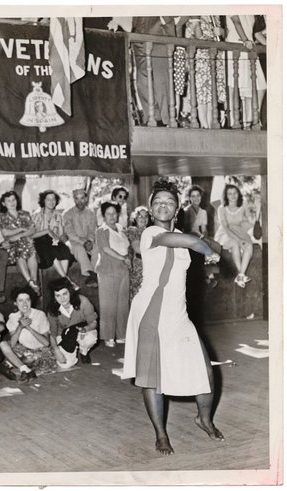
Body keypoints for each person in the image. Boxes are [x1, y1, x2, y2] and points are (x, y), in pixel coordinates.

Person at [123, 178, 224, 455]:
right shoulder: (149, 234)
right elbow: (195, 242)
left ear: (177, 208)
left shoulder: (179, 233)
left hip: (178, 315)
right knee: (153, 378)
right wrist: (210, 251)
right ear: (151, 210)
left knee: (205, 371)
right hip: (150, 315)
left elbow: (196, 244)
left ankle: (203, 419)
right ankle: (161, 434)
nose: (163, 206)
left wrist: (212, 254)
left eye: (169, 202)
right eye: (157, 203)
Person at [95, 201, 130, 347]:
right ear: (103, 215)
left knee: (122, 304)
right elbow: (106, 249)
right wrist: (123, 258)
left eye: (114, 213)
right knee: (108, 304)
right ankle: (108, 336)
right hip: (108, 269)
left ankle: (121, 334)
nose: (111, 216)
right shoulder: (101, 231)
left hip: (123, 269)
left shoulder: (121, 229)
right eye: (108, 213)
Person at [0, 287, 54, 377]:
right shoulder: (13, 317)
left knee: (24, 359)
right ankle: (25, 369)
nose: (24, 303)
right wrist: (20, 327)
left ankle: (15, 364)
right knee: (3, 344)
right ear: (15, 303)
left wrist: (28, 328)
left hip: (40, 352)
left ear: (31, 301)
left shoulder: (39, 315)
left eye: (27, 300)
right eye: (20, 300)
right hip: (24, 350)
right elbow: (12, 344)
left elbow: (46, 343)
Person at [226, 15, 267, 129]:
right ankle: (236, 123)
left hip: (249, 47)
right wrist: (245, 40)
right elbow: (236, 22)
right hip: (237, 44)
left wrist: (271, 45)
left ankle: (248, 122)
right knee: (235, 86)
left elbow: (256, 33)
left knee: (258, 86)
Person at [32, 190, 78, 290]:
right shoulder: (36, 215)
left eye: (53, 199)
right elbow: (31, 235)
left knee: (65, 250)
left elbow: (61, 235)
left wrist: (68, 243)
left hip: (54, 243)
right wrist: (47, 231)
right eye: (48, 199)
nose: (51, 202)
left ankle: (64, 281)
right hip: (40, 244)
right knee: (49, 244)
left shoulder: (59, 215)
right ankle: (67, 281)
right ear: (43, 201)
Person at [47, 277, 98, 366]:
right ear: (54, 297)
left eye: (65, 294)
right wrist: (56, 350)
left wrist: (85, 329)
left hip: (81, 332)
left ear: (70, 292)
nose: (62, 298)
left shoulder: (83, 301)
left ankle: (84, 351)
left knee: (90, 339)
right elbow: (53, 333)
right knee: (64, 365)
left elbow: (93, 322)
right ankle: (72, 351)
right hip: (64, 336)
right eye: (58, 295)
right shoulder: (52, 309)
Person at [0, 191, 40, 295]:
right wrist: (21, 229)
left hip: (26, 243)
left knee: (30, 248)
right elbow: (5, 232)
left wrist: (19, 236)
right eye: (8, 201)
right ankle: (32, 282)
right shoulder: (3, 216)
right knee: (21, 249)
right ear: (4, 203)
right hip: (12, 247)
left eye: (13, 200)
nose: (12, 203)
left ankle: (33, 281)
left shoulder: (24, 214)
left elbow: (32, 230)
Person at [214, 184, 253, 288]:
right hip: (225, 233)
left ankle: (240, 274)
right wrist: (239, 240)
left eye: (235, 193)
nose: (233, 196)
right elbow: (225, 227)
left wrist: (250, 223)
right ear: (226, 195)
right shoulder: (221, 208)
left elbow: (250, 221)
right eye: (230, 193)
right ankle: (241, 274)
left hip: (239, 231)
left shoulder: (243, 205)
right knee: (235, 243)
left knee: (249, 245)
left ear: (238, 194)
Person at [63, 188, 98, 287]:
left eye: (82, 198)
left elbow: (92, 230)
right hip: (73, 241)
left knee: (97, 247)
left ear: (86, 199)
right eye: (77, 199)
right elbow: (69, 232)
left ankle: (95, 273)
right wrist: (83, 242)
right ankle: (90, 274)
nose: (80, 201)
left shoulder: (91, 213)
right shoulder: (67, 214)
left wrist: (90, 241)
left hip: (88, 240)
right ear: (74, 200)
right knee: (79, 249)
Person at [126, 206, 152, 299]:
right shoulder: (132, 230)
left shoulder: (150, 231)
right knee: (138, 296)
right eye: (140, 216)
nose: (143, 219)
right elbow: (138, 249)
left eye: (146, 216)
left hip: (150, 267)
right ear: (135, 218)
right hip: (138, 267)